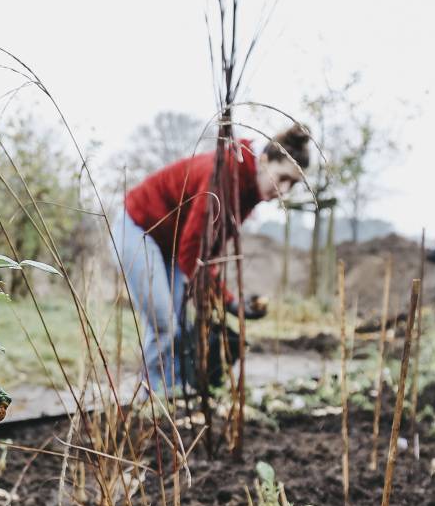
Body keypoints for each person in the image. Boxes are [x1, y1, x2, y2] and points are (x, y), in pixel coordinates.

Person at [116, 124, 311, 392]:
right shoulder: (223, 176)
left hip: (170, 244)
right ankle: (155, 398)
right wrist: (229, 302)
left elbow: (210, 252)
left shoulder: (248, 190)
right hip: (139, 227)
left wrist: (229, 301)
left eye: (293, 184)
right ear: (264, 160)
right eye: (282, 178)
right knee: (164, 322)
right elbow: (193, 252)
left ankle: (173, 393)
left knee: (180, 322)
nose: (284, 191)